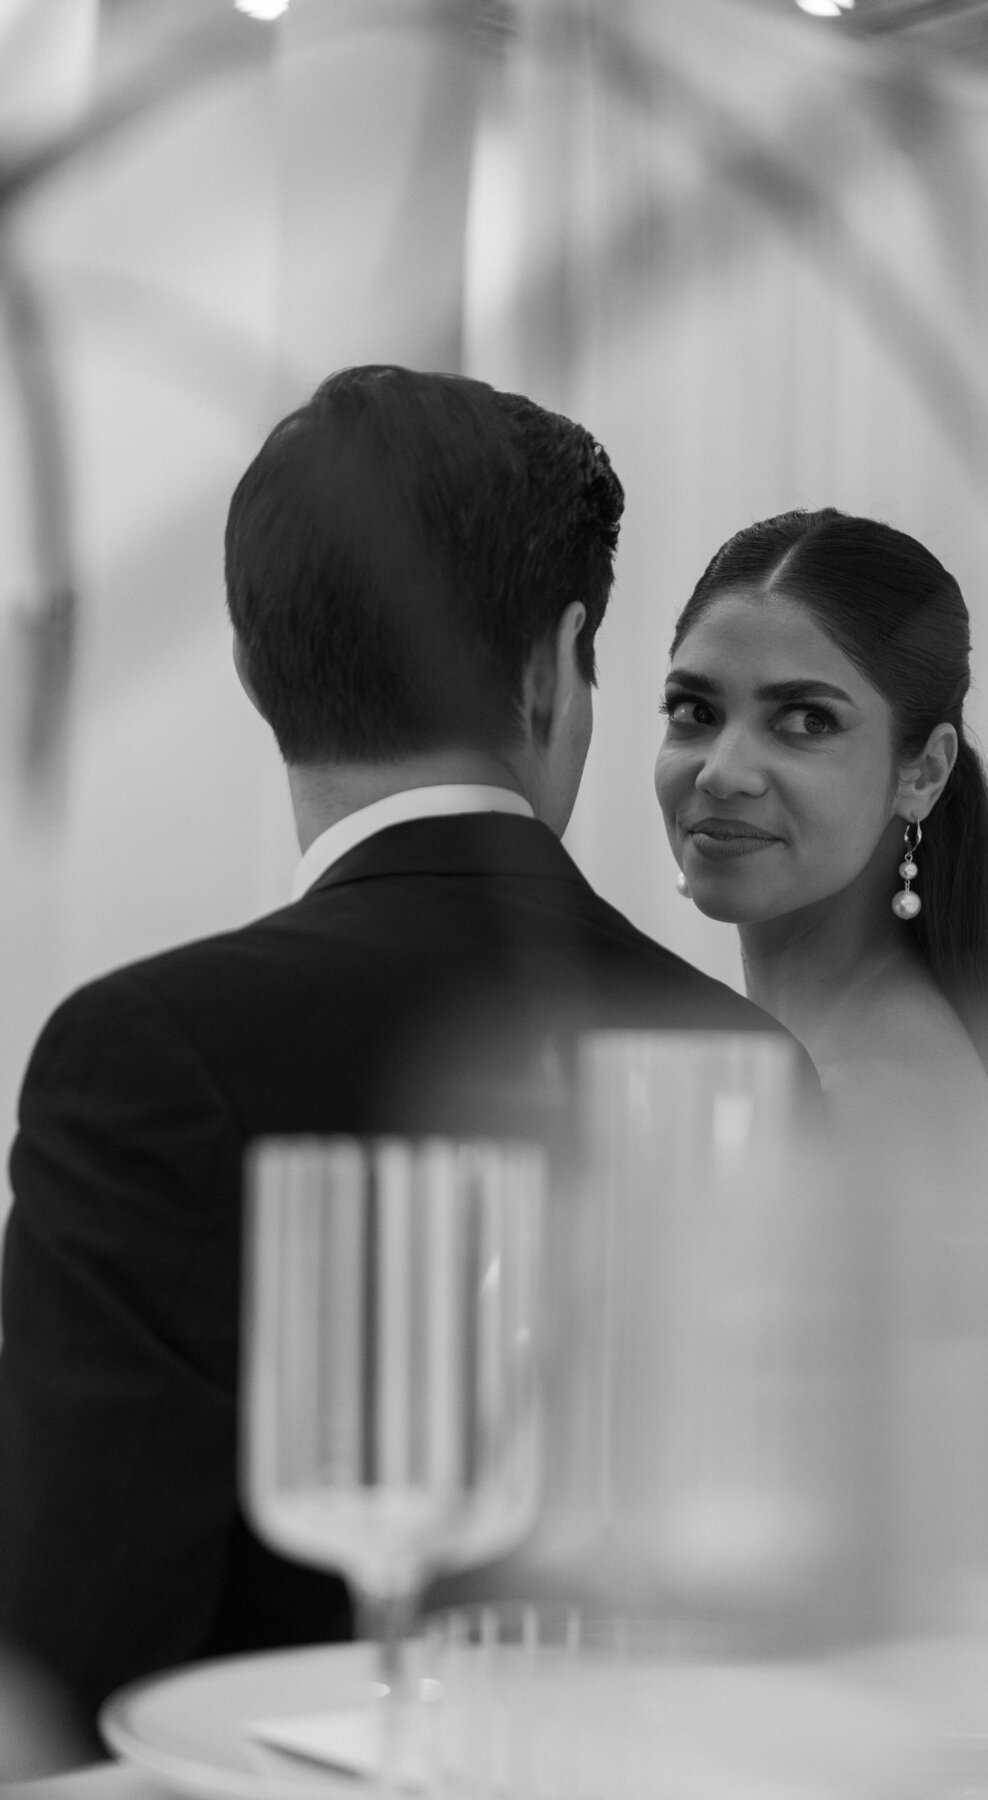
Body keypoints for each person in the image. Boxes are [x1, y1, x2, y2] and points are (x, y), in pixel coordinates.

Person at [0, 366, 815, 1748]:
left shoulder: (145, 1055)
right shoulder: (747, 1064)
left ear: (260, 666)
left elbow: (60, 1675)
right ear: (555, 666)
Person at [655, 506, 988, 1623]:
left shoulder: (877, 1098)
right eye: (695, 710)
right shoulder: (838, 1051)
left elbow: (881, 1557)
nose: (725, 769)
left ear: (921, 772)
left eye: (802, 721)